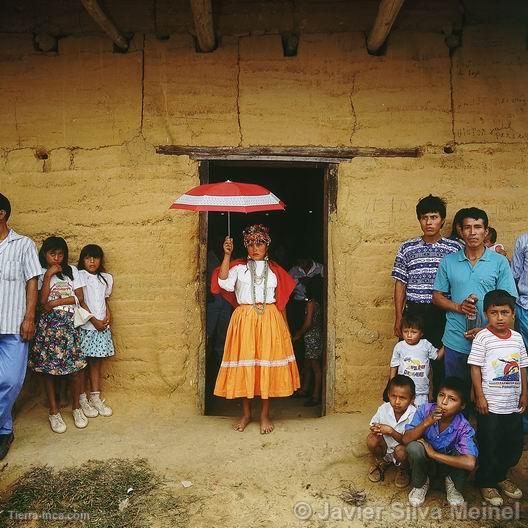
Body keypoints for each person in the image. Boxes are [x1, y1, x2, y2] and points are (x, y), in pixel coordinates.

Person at [211, 224, 300, 434]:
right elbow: (222, 282)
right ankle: (246, 413)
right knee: (247, 365)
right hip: (245, 319)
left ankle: (264, 415)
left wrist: (285, 329)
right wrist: (226, 254)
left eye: (259, 243)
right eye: (250, 243)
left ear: (267, 245)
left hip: (270, 319)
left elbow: (281, 302)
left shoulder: (275, 272)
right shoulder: (237, 268)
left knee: (265, 365)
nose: (255, 248)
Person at [432, 207, 517, 380]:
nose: (472, 232)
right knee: (455, 395)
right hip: (455, 339)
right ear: (460, 231)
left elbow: (508, 300)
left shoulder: (499, 262)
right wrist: (459, 307)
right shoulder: (449, 261)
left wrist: (487, 330)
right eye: (468, 227)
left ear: (486, 232)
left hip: (490, 339)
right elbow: (436, 296)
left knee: (485, 396)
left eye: (477, 227)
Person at [392, 195, 459, 395]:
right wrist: (398, 317)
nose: (429, 222)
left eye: (434, 217)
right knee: (411, 362)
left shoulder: (454, 249)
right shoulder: (407, 248)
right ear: (419, 220)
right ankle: (407, 408)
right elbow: (400, 284)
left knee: (441, 363)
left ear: (443, 220)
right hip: (414, 312)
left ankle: (438, 409)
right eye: (424, 218)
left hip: (442, 313)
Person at [468, 290, 527, 506]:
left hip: (512, 403)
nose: (500, 317)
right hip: (490, 405)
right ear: (486, 314)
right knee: (489, 443)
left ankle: (501, 476)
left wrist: (525, 394)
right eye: (494, 312)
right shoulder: (483, 337)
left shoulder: (518, 339)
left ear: (513, 314)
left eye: (505, 312)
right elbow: (475, 368)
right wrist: (480, 397)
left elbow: (522, 367)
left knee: (511, 444)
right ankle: (486, 481)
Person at [29, 237, 88, 433]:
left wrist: (54, 303)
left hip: (69, 326)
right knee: (49, 370)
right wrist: (47, 277)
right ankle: (53, 411)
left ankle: (76, 408)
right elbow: (41, 302)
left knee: (76, 370)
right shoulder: (40, 274)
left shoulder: (72, 271)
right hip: (48, 328)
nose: (57, 258)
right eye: (52, 254)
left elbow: (79, 298)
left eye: (60, 254)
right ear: (44, 254)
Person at [0, 194, 41, 458]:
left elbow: (32, 282)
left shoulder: (23, 244)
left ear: (1, 214)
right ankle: (4, 430)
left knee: (11, 380)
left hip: (14, 324)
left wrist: (29, 318)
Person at [403, 377, 478, 507]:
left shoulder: (464, 426)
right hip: (427, 464)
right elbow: (406, 439)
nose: (443, 402)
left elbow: (470, 463)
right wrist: (427, 422)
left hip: (448, 466)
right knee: (414, 447)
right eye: (441, 395)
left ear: (462, 405)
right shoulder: (425, 410)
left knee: (468, 453)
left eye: (452, 399)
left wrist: (434, 454)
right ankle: (421, 483)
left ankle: (452, 483)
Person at [77, 244, 114, 418]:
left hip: (101, 327)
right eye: (87, 258)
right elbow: (81, 302)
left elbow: (104, 300)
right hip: (86, 326)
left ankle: (95, 397)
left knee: (96, 363)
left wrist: (108, 314)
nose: (92, 261)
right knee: (81, 364)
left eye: (95, 258)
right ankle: (81, 399)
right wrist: (93, 320)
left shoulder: (105, 279)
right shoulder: (79, 276)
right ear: (82, 260)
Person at [367, 375, 416, 488]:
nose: (397, 401)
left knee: (402, 451)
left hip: (401, 450)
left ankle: (404, 469)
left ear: (412, 398)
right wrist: (376, 429)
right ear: (388, 394)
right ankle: (381, 462)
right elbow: (373, 424)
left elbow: (408, 441)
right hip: (386, 447)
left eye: (402, 398)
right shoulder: (384, 408)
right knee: (372, 439)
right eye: (393, 396)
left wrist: (390, 431)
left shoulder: (414, 414)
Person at [389, 314, 444, 407]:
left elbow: (437, 356)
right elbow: (394, 365)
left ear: (421, 333)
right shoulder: (400, 346)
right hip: (403, 390)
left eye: (414, 332)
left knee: (420, 414)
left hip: (421, 391)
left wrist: (447, 343)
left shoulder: (426, 345)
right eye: (406, 331)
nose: (409, 335)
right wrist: (392, 384)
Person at [292, 276, 324, 407]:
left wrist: (297, 335)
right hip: (315, 336)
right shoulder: (319, 302)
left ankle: (316, 396)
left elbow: (308, 323)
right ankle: (305, 390)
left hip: (312, 337)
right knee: (308, 364)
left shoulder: (311, 303)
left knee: (315, 367)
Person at [511, 231, 528, 433]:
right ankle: (523, 427)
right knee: (523, 365)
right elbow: (514, 275)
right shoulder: (524, 240)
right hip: (525, 308)